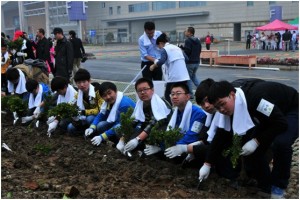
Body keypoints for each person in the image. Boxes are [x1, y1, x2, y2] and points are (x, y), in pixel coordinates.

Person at [200, 80, 298, 198]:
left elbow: (280, 123)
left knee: (281, 142)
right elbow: (221, 136)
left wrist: (256, 141)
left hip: (292, 108)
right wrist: (207, 164)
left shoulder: (257, 99)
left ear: (232, 95)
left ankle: (278, 186)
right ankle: (265, 186)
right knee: (250, 148)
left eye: (222, 104)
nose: (221, 110)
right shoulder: (230, 106)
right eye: (217, 107)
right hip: (270, 114)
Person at [144, 82, 206, 158]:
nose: (174, 97)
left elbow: (191, 136)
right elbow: (169, 133)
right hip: (178, 145)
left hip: (191, 149)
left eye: (178, 93)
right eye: (172, 94)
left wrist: (168, 147)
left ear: (188, 96)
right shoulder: (176, 112)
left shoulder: (198, 114)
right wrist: (161, 146)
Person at [116, 77, 172, 154]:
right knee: (129, 142)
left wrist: (138, 139)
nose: (142, 92)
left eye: (145, 89)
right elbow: (134, 121)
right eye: (139, 90)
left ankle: (159, 148)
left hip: (162, 129)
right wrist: (122, 139)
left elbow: (154, 123)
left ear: (152, 90)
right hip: (146, 129)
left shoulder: (160, 103)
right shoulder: (140, 104)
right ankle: (139, 150)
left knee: (142, 140)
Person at [85, 82, 136, 146]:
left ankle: (120, 142)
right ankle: (112, 140)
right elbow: (101, 115)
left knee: (117, 127)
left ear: (116, 91)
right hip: (118, 123)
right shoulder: (107, 103)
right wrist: (92, 127)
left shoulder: (124, 104)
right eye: (104, 95)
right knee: (100, 125)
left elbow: (120, 124)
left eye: (109, 93)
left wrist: (102, 137)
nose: (108, 97)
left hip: (131, 127)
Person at [149, 33, 190, 104]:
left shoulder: (164, 49)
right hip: (184, 76)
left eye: (158, 46)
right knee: (183, 94)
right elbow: (186, 59)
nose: (159, 49)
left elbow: (161, 61)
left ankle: (171, 110)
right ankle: (184, 108)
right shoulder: (177, 48)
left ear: (161, 43)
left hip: (174, 77)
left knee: (168, 95)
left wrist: (154, 66)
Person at [67, 69, 104, 135]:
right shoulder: (78, 94)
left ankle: (94, 133)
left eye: (84, 82)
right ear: (76, 83)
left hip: (99, 117)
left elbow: (100, 110)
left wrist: (84, 112)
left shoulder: (98, 91)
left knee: (90, 119)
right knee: (70, 128)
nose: (81, 85)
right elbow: (70, 104)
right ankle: (84, 132)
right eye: (79, 83)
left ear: (89, 81)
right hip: (84, 117)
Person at [183, 27, 202, 99]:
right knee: (193, 77)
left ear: (190, 33)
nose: (185, 32)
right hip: (196, 62)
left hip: (190, 63)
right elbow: (199, 50)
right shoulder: (198, 40)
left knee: (188, 78)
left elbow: (187, 51)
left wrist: (183, 51)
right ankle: (203, 89)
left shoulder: (188, 41)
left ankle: (190, 94)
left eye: (186, 31)